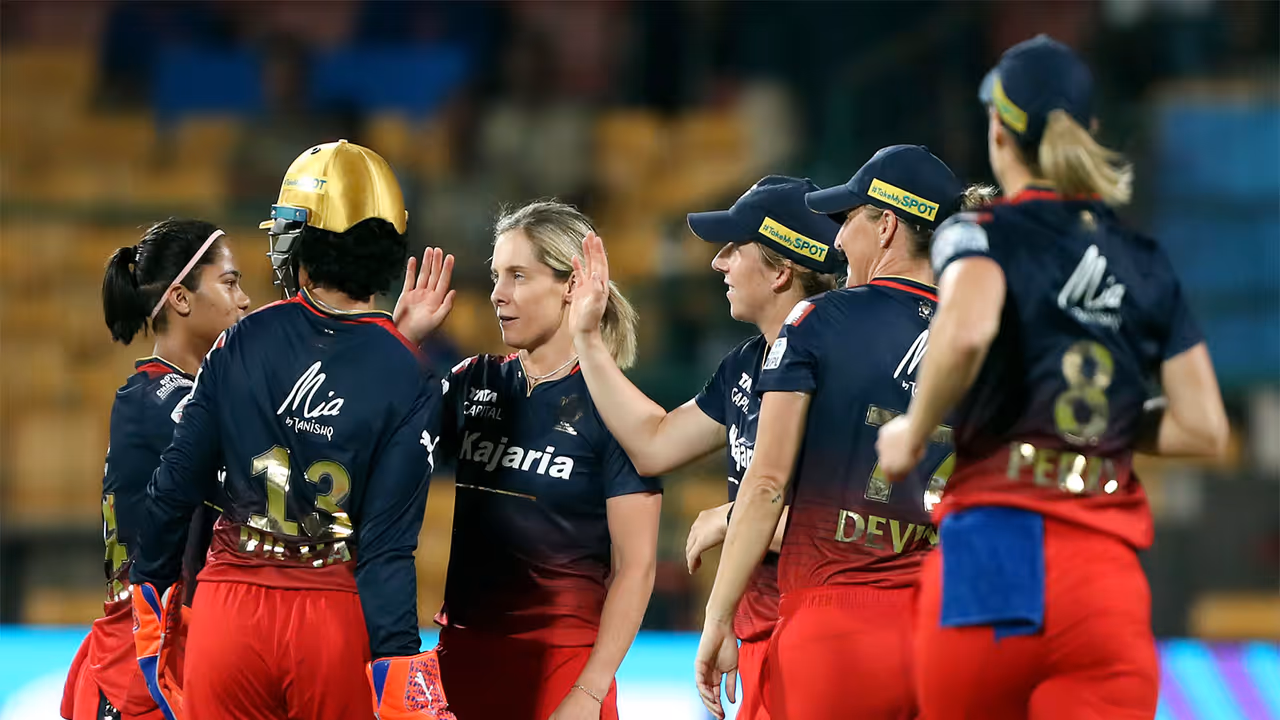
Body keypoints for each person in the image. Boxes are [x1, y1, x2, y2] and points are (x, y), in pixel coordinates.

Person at [875, 36, 1229, 720]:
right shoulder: (1145, 259)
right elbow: (1203, 428)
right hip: (1106, 575)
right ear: (1090, 132)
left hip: (996, 554)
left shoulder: (978, 230)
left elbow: (970, 326)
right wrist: (1112, 421)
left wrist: (913, 429)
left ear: (998, 134)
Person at [128, 140, 458, 720]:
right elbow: (387, 551)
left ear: (303, 238)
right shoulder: (409, 372)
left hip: (229, 614)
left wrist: (151, 600)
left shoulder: (240, 339)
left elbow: (174, 487)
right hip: (332, 615)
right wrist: (399, 666)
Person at [694, 145, 992, 720]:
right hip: (949, 627)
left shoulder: (819, 321)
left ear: (886, 226)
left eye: (849, 218)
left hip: (837, 629)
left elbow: (764, 486)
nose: (837, 241)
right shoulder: (984, 338)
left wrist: (718, 616)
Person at [567, 176, 842, 720]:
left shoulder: (845, 368)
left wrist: (734, 519)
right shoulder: (745, 363)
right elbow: (655, 443)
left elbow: (864, 523)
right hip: (762, 635)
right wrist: (588, 340)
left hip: (823, 634)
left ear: (782, 270)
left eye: (734, 249)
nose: (718, 263)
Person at [396, 200, 661, 720]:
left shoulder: (616, 409)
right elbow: (376, 449)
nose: (497, 294)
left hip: (563, 667)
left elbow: (638, 566)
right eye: (496, 276)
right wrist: (401, 343)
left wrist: (589, 691)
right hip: (461, 658)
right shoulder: (473, 381)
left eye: (519, 276)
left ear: (571, 285)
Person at [61, 220, 250, 720]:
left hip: (175, 655)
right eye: (229, 283)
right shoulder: (155, 400)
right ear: (181, 299)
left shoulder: (189, 397)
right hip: (138, 669)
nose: (245, 299)